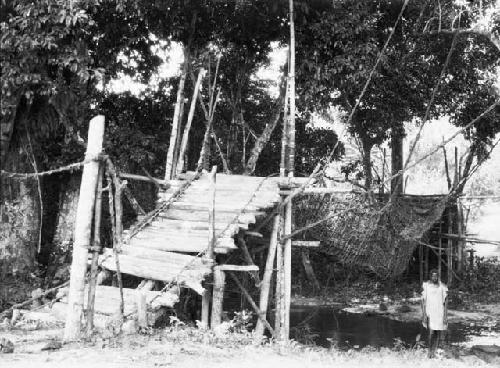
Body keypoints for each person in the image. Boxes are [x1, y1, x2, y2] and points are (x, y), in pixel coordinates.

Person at [421, 269, 448, 358]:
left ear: (438, 277)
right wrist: (424, 314)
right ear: (430, 276)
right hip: (430, 312)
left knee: (438, 333)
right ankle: (429, 352)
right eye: (433, 276)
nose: (434, 277)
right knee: (431, 332)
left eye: (436, 276)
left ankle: (434, 351)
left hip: (439, 312)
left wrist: (445, 316)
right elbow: (423, 301)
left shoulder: (442, 287)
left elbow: (445, 301)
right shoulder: (427, 286)